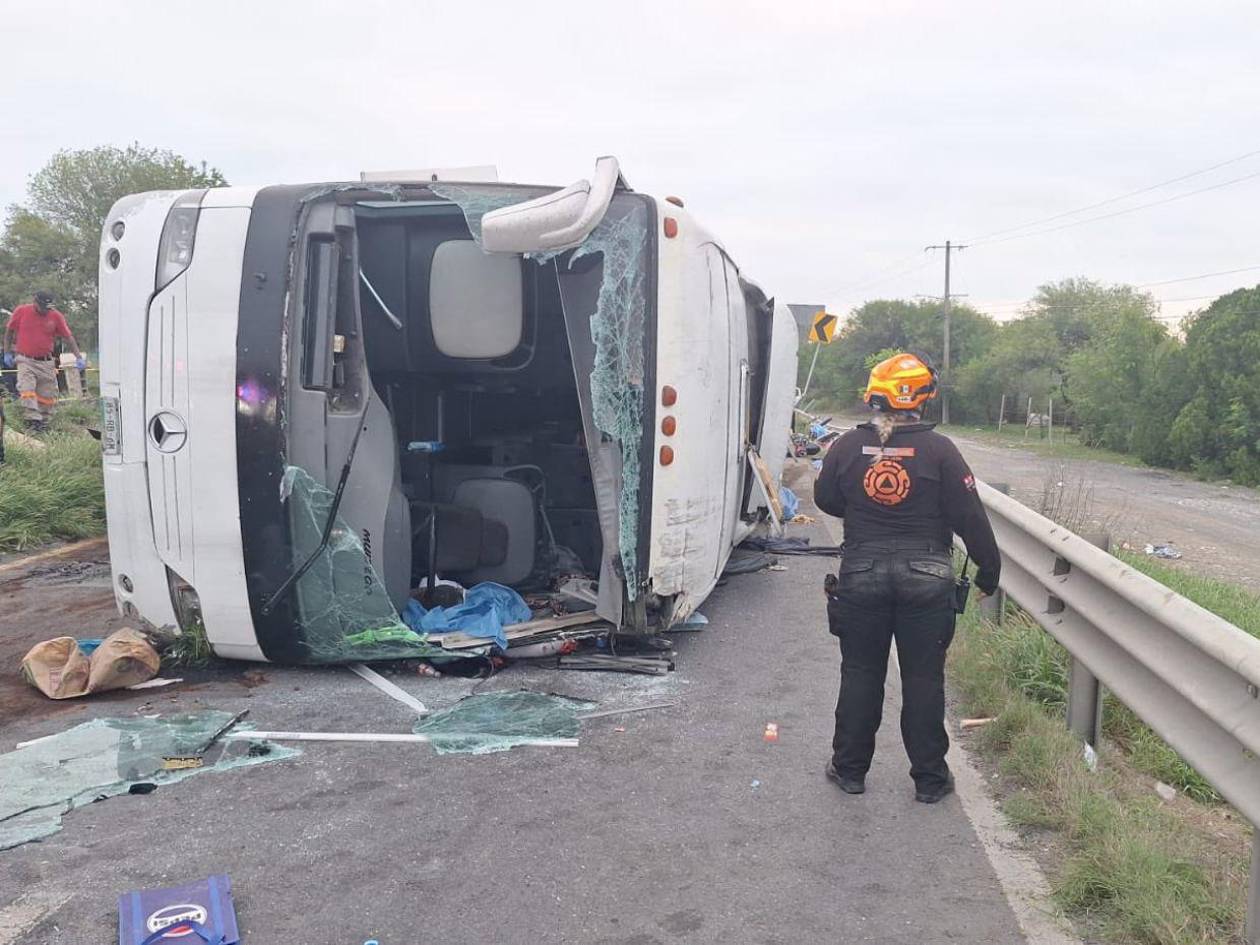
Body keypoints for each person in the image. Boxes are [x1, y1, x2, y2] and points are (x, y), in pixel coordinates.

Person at [813, 352, 1000, 804]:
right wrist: (988, 572)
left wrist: (865, 511)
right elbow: (969, 516)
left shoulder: (845, 447)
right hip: (927, 578)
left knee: (860, 674)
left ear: (874, 395)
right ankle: (930, 780)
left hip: (861, 574)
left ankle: (850, 770)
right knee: (923, 679)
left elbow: (825, 499)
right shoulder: (941, 452)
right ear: (924, 397)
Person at [1, 291, 83, 434]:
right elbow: (9, 332)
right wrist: (7, 352)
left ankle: (44, 423)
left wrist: (78, 357)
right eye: (43, 307)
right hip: (25, 360)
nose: (46, 310)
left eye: (48, 307)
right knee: (27, 389)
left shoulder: (56, 316)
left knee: (46, 396)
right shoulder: (22, 311)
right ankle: (32, 421)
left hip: (46, 362)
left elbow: (68, 337)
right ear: (35, 302)